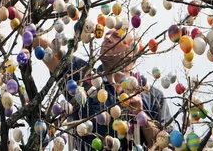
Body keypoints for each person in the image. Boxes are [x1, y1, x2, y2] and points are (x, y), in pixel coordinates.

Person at [36, 28, 172, 151]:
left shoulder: (152, 96)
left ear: (133, 51)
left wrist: (141, 115)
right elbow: (48, 49)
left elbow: (168, 145)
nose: (107, 38)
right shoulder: (85, 76)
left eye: (116, 36)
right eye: (106, 34)